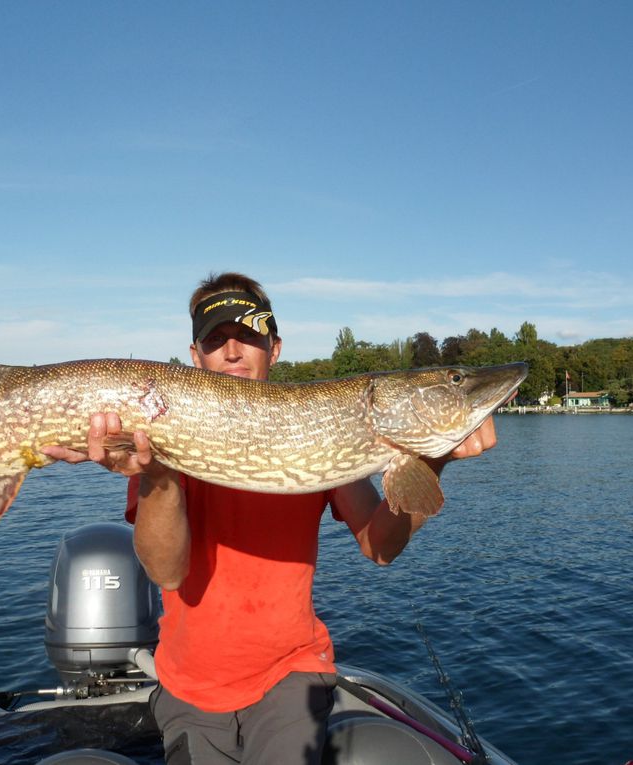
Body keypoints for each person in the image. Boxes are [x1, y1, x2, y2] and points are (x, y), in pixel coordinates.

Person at [42, 272, 498, 764]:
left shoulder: (324, 425)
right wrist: (159, 479)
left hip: (291, 674)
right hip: (190, 684)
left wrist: (431, 461)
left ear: (274, 348)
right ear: (195, 357)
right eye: (216, 340)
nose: (232, 351)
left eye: (249, 335)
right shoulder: (156, 437)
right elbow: (167, 572)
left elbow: (380, 545)